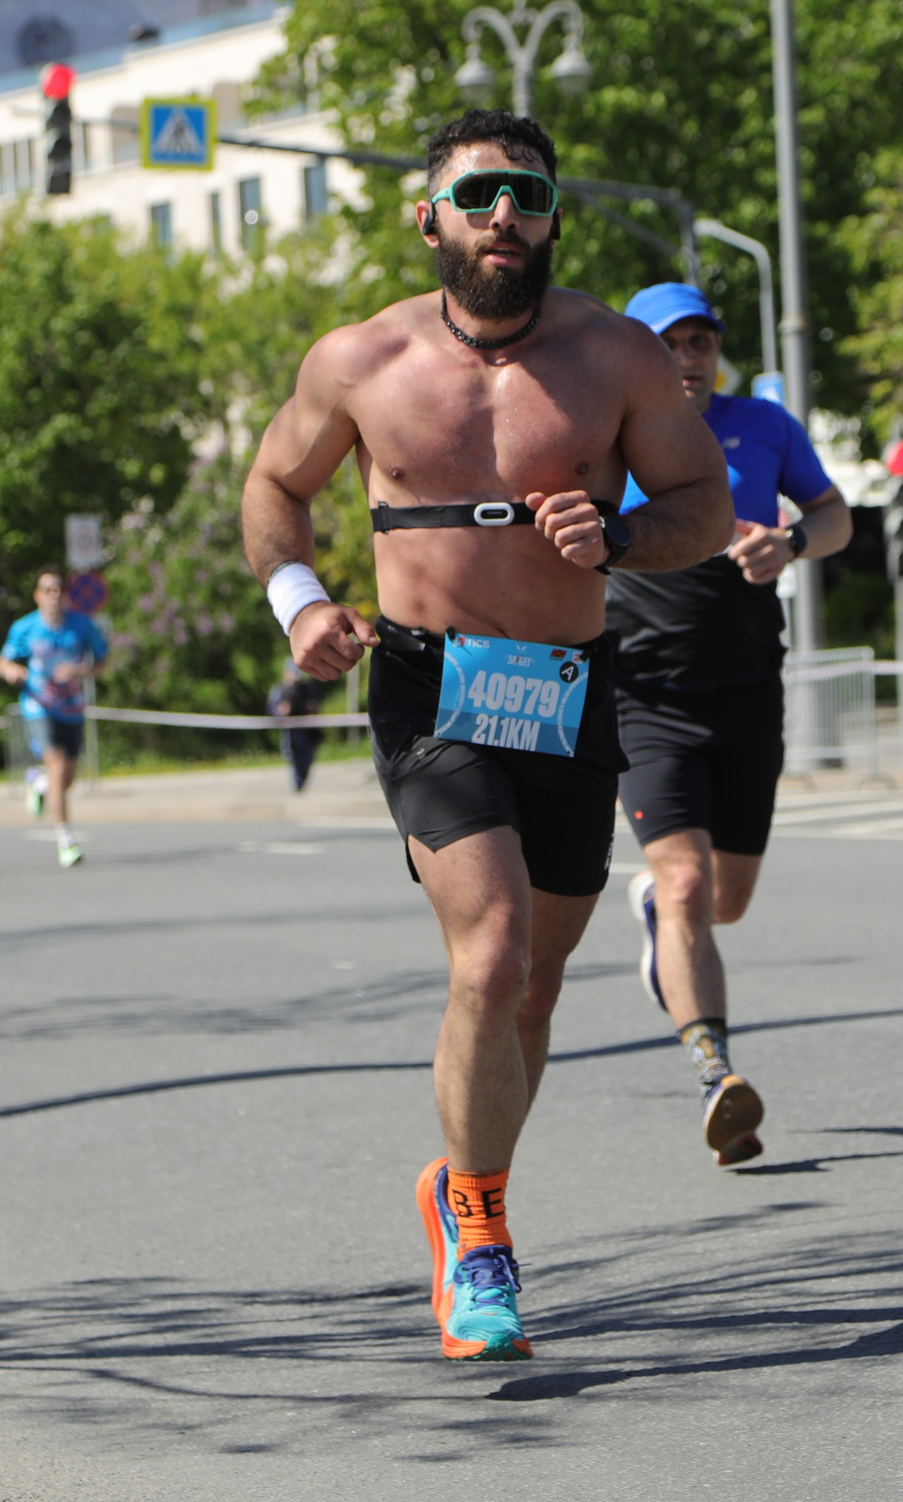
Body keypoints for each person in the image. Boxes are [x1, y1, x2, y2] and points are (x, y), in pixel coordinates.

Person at [241, 109, 731, 1362]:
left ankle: (461, 1180)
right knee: (493, 951)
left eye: (526, 194)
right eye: (476, 195)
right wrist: (300, 603)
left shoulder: (617, 358)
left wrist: (621, 536)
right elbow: (275, 487)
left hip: (567, 686)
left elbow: (703, 504)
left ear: (555, 218)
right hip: (430, 685)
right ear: (430, 220)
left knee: (535, 984)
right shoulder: (361, 360)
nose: (502, 214)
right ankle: (481, 1234)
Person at [609, 282, 854, 1169]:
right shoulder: (605, 431)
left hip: (749, 687)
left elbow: (834, 515)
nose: (687, 357)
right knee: (685, 883)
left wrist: (789, 543)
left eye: (700, 341)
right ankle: (716, 1073)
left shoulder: (765, 425)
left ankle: (655, 911)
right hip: (644, 694)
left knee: (726, 900)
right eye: (667, 342)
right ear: (636, 352)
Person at [0, 567, 106, 868]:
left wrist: (81, 671)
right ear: (38, 596)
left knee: (65, 778)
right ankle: (65, 839)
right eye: (48, 590)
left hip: (72, 707)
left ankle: (40, 784)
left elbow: (103, 662)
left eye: (59, 589)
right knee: (57, 767)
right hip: (38, 706)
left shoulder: (81, 626)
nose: (54, 595)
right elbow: (3, 661)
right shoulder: (24, 628)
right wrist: (12, 671)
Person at [269, 660, 329, 793]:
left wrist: (313, 707)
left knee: (307, 758)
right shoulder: (280, 690)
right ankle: (298, 782)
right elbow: (271, 709)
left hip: (307, 731)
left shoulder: (308, 688)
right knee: (292, 756)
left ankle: (301, 780)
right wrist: (280, 711)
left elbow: (318, 703)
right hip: (290, 731)